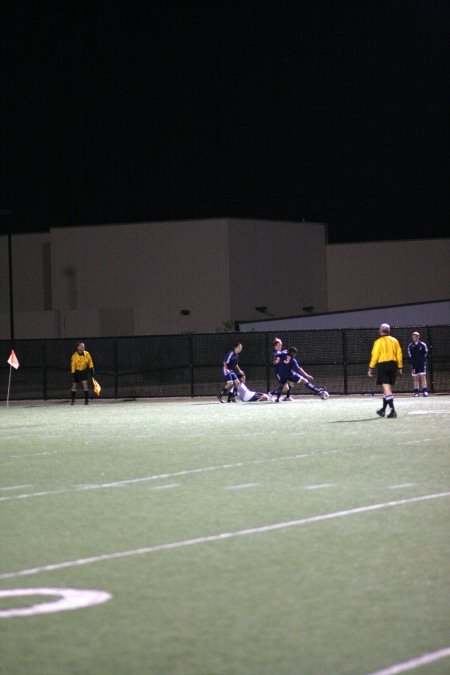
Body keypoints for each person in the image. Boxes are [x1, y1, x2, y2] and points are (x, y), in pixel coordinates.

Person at [368, 323, 403, 418]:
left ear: (381, 331)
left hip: (383, 366)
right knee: (386, 390)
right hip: (393, 365)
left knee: (387, 390)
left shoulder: (378, 342)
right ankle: (383, 410)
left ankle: (393, 411)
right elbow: (399, 354)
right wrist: (399, 367)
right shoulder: (395, 340)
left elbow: (375, 355)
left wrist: (371, 367)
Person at [407, 331, 429, 397]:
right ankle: (416, 392)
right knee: (415, 378)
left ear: (418, 337)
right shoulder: (410, 345)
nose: (414, 338)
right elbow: (409, 354)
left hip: (422, 364)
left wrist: (422, 360)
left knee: (423, 377)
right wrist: (413, 362)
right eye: (413, 336)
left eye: (415, 336)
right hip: (414, 364)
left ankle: (425, 391)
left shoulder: (422, 344)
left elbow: (426, 353)